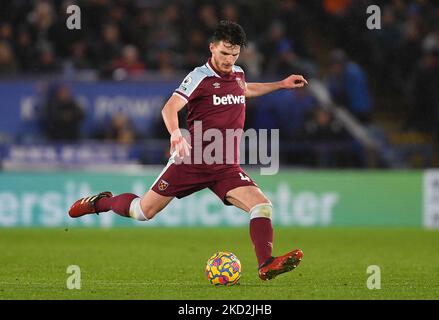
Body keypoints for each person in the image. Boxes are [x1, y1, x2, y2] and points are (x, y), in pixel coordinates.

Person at [68, 21, 307, 281]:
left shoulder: (238, 74)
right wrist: (175, 134)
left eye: (234, 54)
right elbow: (169, 108)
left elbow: (245, 89)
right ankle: (101, 202)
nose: (229, 59)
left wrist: (281, 84)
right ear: (212, 48)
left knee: (262, 206)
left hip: (225, 166)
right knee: (142, 212)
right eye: (224, 53)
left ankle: (266, 264)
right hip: (191, 161)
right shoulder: (198, 77)